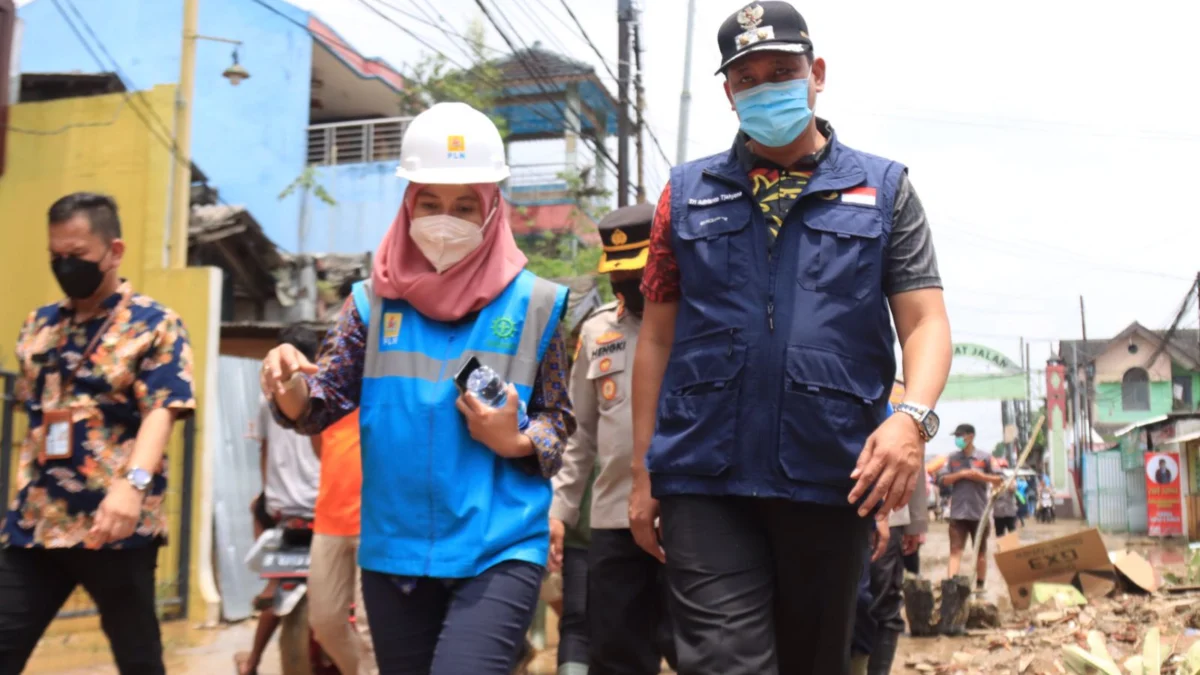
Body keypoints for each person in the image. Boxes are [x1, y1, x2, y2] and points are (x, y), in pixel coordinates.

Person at [628, 3, 953, 673]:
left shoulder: (884, 190)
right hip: (704, 474)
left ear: (818, 73)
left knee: (816, 661)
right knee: (723, 661)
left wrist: (911, 421)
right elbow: (655, 339)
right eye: (747, 77)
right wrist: (643, 471)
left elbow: (924, 321)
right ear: (728, 93)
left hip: (832, 475)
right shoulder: (682, 196)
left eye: (783, 70)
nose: (766, 87)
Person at [260, 101, 573, 675]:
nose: (444, 219)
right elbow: (319, 405)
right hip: (394, 551)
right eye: (429, 203)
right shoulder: (367, 305)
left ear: (492, 207)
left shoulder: (538, 304)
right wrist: (288, 390)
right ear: (408, 205)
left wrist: (518, 440)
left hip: (498, 547)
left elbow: (560, 425)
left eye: (463, 206)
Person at [0, 193, 195, 674]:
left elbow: (162, 410)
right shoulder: (38, 325)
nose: (65, 266)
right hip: (37, 526)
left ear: (114, 250)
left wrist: (133, 484)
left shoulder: (154, 324)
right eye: (56, 257)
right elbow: (35, 415)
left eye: (78, 256)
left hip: (116, 526)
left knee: (138, 660)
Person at [550, 204, 677, 675]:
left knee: (700, 649)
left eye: (637, 271)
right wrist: (560, 511)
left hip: (688, 513)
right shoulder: (597, 330)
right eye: (617, 273)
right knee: (616, 653)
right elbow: (579, 434)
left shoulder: (697, 321)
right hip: (613, 519)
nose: (626, 284)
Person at [238, 326, 324, 675]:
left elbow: (265, 450)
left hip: (283, 508)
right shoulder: (326, 395)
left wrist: (266, 497)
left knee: (276, 588)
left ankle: (253, 661)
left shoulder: (269, 396)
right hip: (324, 506)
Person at [852, 404, 927, 675]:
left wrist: (915, 524)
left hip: (888, 511)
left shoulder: (905, 394)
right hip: (833, 509)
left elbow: (913, 455)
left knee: (881, 600)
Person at [307, 403, 376, 675]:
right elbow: (318, 442)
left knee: (368, 627)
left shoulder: (382, 377)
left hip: (373, 519)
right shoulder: (332, 383)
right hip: (329, 517)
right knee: (325, 624)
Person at [937, 424, 1002, 592]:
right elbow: (941, 480)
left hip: (979, 513)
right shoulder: (952, 459)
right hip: (958, 513)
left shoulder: (985, 458)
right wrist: (960, 474)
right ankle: (951, 587)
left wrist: (980, 476)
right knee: (955, 550)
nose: (958, 439)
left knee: (980, 552)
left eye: (961, 435)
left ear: (971, 436)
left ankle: (980, 586)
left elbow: (999, 479)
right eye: (956, 436)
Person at [992, 460, 1018, 538]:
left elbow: (1013, 489)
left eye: (1004, 468)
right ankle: (1001, 550)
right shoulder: (994, 480)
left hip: (1010, 511)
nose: (1002, 470)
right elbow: (992, 494)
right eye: (1001, 468)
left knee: (1012, 533)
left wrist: (1007, 482)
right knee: (1000, 535)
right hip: (998, 513)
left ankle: (1014, 549)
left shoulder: (1012, 479)